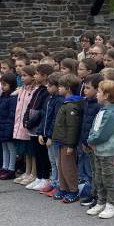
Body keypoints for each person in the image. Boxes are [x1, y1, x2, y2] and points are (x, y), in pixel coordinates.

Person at [85, 79, 114, 219]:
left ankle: (111, 205)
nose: (97, 94)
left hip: (107, 151)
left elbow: (103, 133)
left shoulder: (111, 113)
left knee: (107, 178)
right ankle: (101, 201)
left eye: (99, 92)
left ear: (106, 95)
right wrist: (91, 140)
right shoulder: (103, 110)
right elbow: (94, 128)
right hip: (98, 149)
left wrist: (91, 140)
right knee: (99, 177)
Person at [50, 73, 83, 203]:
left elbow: (72, 127)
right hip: (61, 141)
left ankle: (73, 190)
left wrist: (70, 145)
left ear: (68, 88)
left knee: (68, 167)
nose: (59, 88)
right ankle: (63, 188)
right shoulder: (66, 103)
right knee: (61, 166)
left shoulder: (71, 105)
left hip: (67, 142)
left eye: (61, 86)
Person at [77, 74, 101, 205]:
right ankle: (93, 193)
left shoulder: (98, 105)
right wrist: (83, 141)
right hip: (86, 141)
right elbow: (84, 124)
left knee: (97, 171)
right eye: (84, 87)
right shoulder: (86, 102)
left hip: (95, 143)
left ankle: (98, 195)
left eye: (88, 88)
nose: (85, 90)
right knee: (91, 169)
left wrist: (91, 141)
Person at [12, 65, 37, 185]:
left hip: (29, 124)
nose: (22, 78)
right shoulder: (22, 89)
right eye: (21, 75)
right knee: (26, 151)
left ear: (33, 77)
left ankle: (33, 173)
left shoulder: (34, 91)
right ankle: (27, 172)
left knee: (32, 151)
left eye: (25, 75)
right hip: (20, 123)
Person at [0, 73, 19, 180]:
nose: (2, 87)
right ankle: (5, 167)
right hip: (1, 126)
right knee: (4, 148)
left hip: (8, 127)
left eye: (5, 85)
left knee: (11, 148)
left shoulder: (12, 98)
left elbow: (12, 115)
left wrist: (9, 129)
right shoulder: (2, 96)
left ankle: (11, 169)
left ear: (11, 85)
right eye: (2, 84)